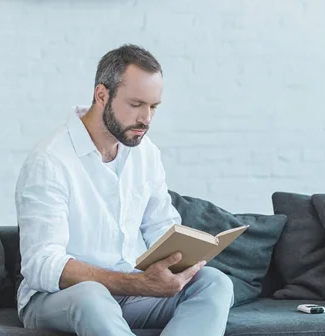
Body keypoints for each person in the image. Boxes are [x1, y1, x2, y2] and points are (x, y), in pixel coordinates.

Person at [15, 44, 234, 336]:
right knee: (91, 295)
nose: (146, 119)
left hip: (135, 295)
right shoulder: (50, 161)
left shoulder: (146, 154)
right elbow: (40, 265)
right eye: (136, 105)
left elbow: (161, 227)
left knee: (215, 283)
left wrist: (180, 260)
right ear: (102, 95)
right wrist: (137, 284)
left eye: (153, 107)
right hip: (60, 299)